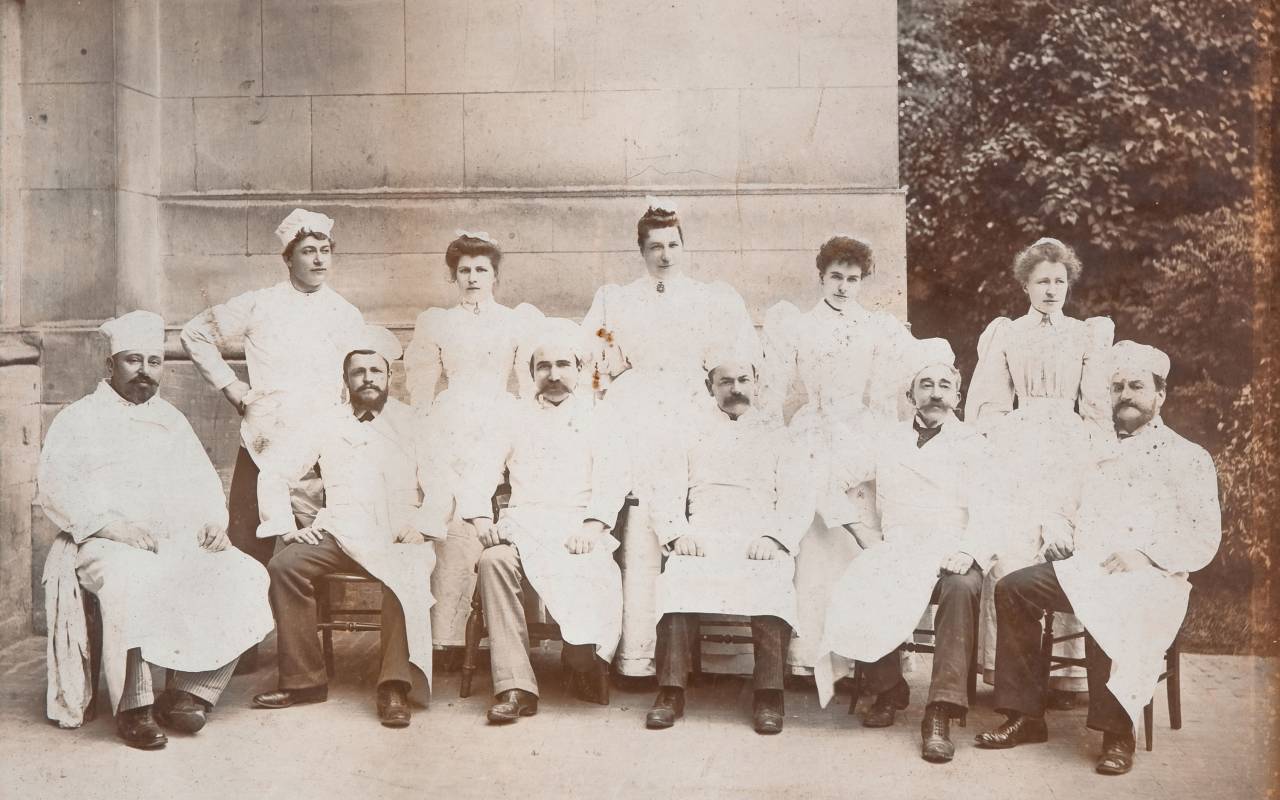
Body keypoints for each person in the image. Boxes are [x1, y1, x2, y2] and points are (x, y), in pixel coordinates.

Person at [975, 341, 1221, 776]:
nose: (1125, 394)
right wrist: (1058, 534)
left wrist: (1146, 555)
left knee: (1113, 602)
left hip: (1152, 577)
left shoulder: (1188, 457)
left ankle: (1116, 734)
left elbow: (1203, 536)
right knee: (1013, 587)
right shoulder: (1093, 451)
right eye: (1117, 387)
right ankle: (1025, 715)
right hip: (1085, 569)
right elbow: (1063, 509)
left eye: (1136, 386)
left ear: (1160, 395)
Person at [38, 311, 273, 749]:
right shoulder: (78, 418)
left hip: (175, 540)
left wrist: (213, 523)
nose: (144, 371)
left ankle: (190, 693)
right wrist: (113, 527)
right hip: (102, 543)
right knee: (133, 578)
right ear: (110, 366)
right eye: (132, 360)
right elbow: (54, 487)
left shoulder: (171, 419)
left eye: (153, 362)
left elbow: (203, 482)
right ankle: (136, 706)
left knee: (247, 574)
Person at [582, 198, 759, 678]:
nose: (665, 254)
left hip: (690, 409)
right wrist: (607, 393)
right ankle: (639, 659)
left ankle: (709, 656)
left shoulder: (711, 297)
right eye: (655, 246)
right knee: (641, 524)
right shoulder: (615, 299)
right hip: (634, 411)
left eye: (673, 245)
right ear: (641, 250)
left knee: (692, 516)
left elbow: (737, 361)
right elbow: (594, 361)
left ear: (684, 246)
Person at [812, 339, 994, 763]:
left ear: (957, 396)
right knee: (866, 575)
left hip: (954, 549)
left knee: (962, 588)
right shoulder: (886, 440)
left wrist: (968, 550)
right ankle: (889, 689)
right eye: (925, 384)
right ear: (910, 395)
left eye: (944, 386)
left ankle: (940, 711)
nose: (934, 393)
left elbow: (994, 505)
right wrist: (862, 533)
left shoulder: (974, 444)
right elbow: (828, 479)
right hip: (899, 546)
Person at [250, 327, 438, 728]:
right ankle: (304, 680)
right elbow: (274, 471)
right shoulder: (325, 422)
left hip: (397, 533)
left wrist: (422, 525)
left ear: (390, 378)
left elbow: (443, 482)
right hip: (340, 530)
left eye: (376, 371)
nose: (368, 378)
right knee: (285, 567)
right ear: (346, 380)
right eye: (359, 372)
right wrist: (286, 527)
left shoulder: (414, 422)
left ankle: (393, 687)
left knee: (402, 575)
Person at [458, 318, 630, 724]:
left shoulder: (600, 416)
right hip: (522, 524)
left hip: (578, 526)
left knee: (588, 568)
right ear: (531, 373)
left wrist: (593, 527)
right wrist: (483, 518)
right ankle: (515, 686)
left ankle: (581, 657)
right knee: (492, 561)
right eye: (543, 367)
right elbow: (478, 471)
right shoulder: (511, 416)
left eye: (563, 365)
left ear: (579, 369)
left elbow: (614, 477)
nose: (554, 375)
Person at [966, 237, 1115, 697]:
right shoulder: (1006, 333)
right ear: (1025, 285)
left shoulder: (1086, 334)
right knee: (1016, 545)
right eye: (1042, 281)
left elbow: (1094, 405)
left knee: (1069, 544)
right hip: (1020, 440)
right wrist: (996, 447)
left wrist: (1102, 453)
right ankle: (1014, 678)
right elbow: (990, 401)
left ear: (1068, 285)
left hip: (1072, 443)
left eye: (1059, 281)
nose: (1051, 290)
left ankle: (1063, 677)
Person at [761, 235, 914, 673]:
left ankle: (860, 658)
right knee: (813, 539)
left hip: (859, 432)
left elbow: (884, 395)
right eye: (835, 277)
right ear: (821, 277)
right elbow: (774, 387)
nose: (844, 287)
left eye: (852, 279)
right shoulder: (799, 324)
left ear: (862, 280)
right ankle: (811, 658)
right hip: (813, 430)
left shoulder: (876, 327)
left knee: (857, 534)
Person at [180, 209, 364, 572]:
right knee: (247, 546)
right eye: (308, 250)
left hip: (320, 446)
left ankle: (303, 629)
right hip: (265, 440)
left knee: (319, 548)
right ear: (288, 258)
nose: (318, 259)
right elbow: (194, 333)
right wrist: (230, 385)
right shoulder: (260, 303)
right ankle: (249, 628)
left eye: (324, 250)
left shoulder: (346, 313)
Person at [645, 351, 810, 734]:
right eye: (725, 382)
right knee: (678, 577)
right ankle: (671, 690)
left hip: (759, 536)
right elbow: (664, 489)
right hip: (703, 534)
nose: (736, 389)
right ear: (710, 387)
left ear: (757, 384)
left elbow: (798, 496)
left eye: (743, 380)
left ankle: (769, 694)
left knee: (771, 579)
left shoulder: (780, 436)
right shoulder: (687, 433)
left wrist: (775, 537)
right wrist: (677, 533)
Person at [404, 230, 544, 655]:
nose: (472, 277)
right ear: (453, 276)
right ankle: (446, 636)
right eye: (463, 270)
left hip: (501, 413)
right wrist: (422, 431)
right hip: (454, 416)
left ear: (495, 275)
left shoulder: (516, 320)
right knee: (448, 501)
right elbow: (422, 385)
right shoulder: (438, 322)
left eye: (481, 269)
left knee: (497, 487)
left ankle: (515, 626)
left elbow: (525, 380)